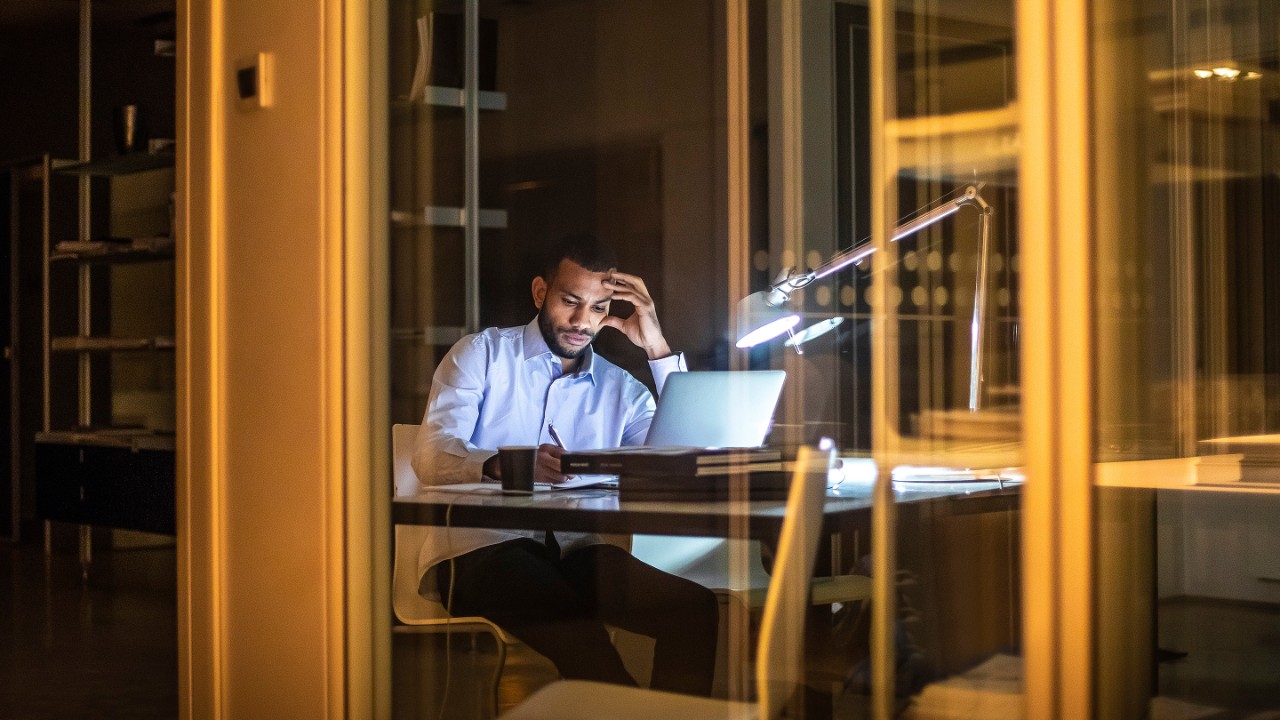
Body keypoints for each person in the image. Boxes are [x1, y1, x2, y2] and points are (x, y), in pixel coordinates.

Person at [412, 234, 718, 696]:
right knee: (582, 636)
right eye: (570, 301)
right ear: (541, 293)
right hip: (481, 552)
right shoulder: (482, 354)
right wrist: (507, 465)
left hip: (578, 553)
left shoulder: (623, 389)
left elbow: (685, 460)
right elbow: (430, 454)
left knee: (693, 610)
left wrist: (655, 346)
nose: (581, 321)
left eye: (598, 308)